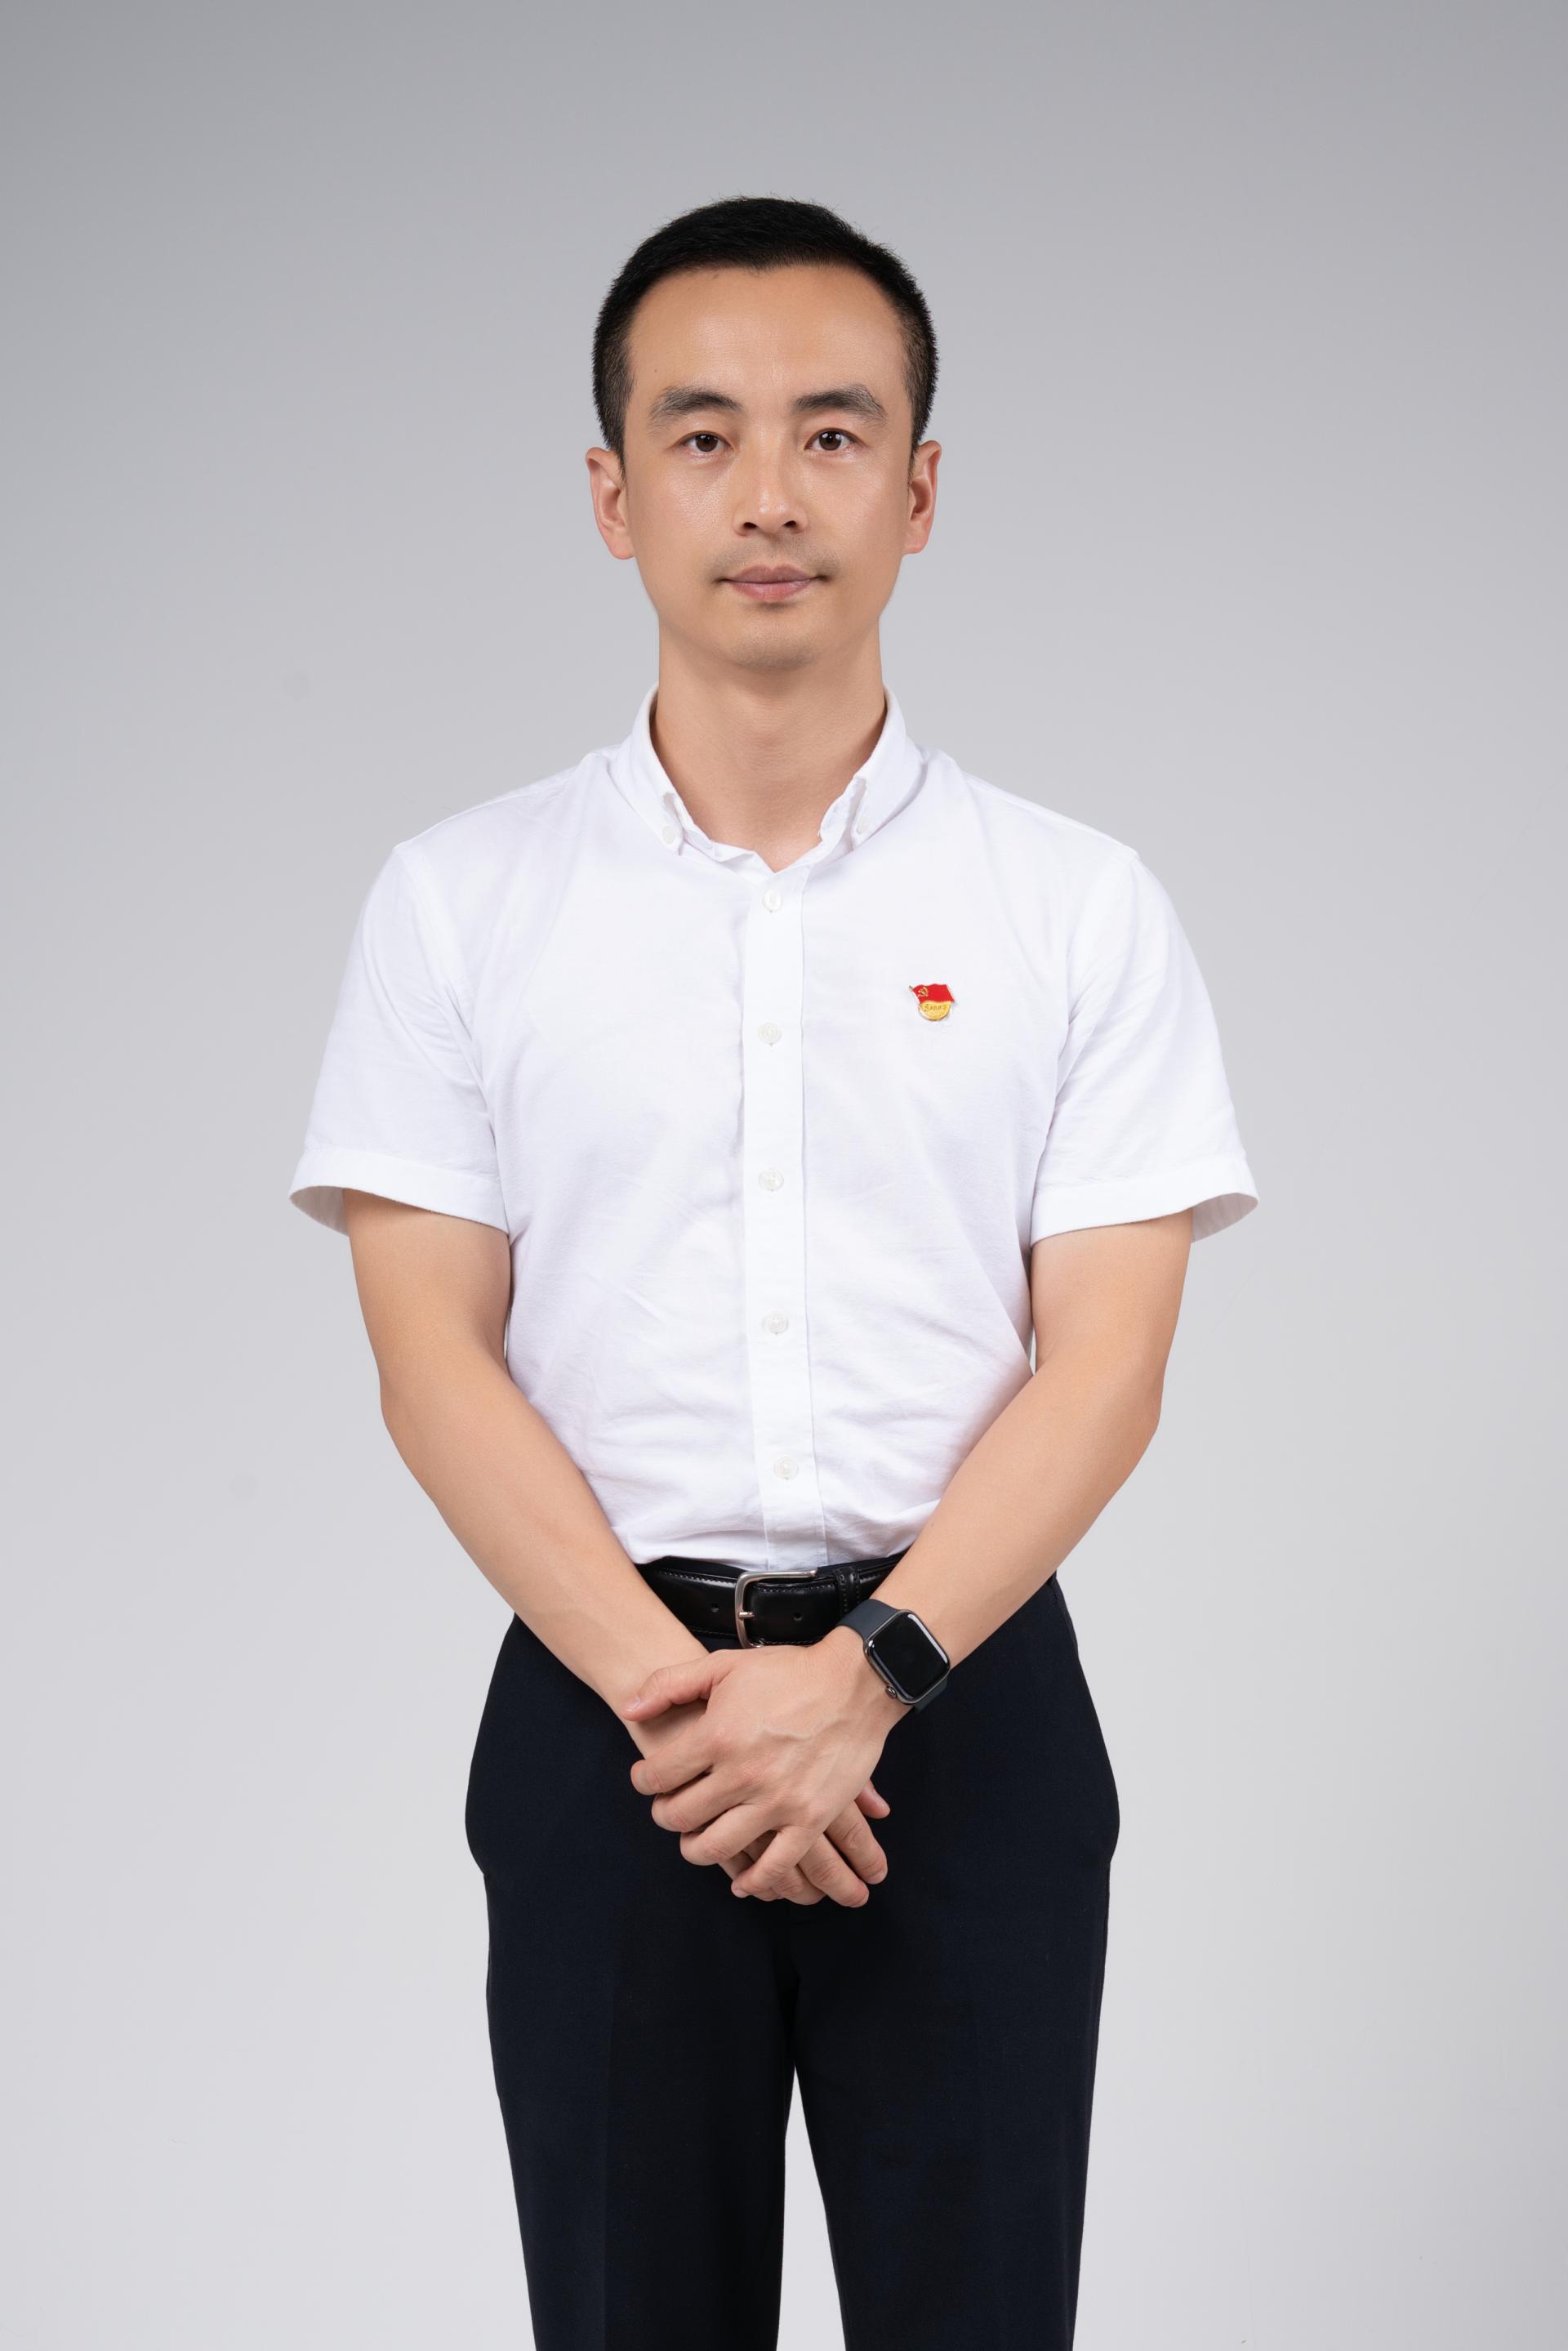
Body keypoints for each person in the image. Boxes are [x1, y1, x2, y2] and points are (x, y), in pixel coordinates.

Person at [288, 194, 1259, 2351]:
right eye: (702, 434)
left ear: (920, 489)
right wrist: (687, 1707)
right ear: (612, 492)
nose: (768, 495)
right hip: (608, 1722)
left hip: (968, 1713)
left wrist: (869, 1678)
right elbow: (432, 1360)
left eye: (833, 433)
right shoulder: (460, 903)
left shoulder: (1074, 907)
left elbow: (1106, 1365)